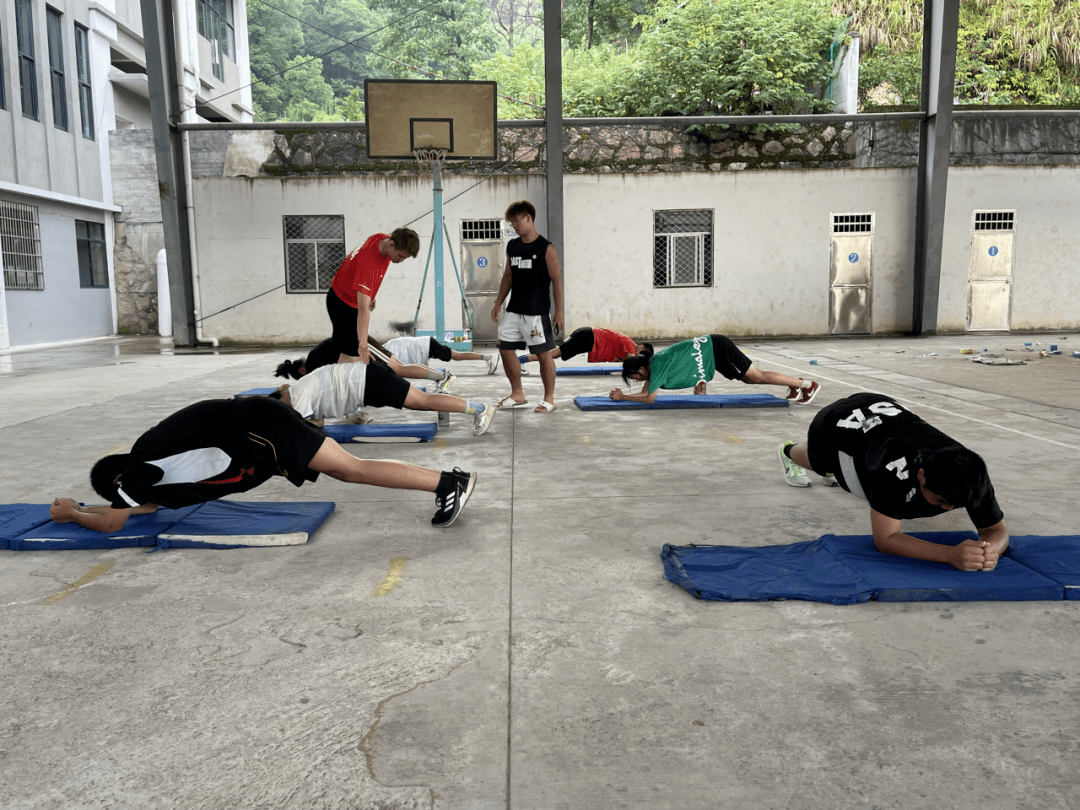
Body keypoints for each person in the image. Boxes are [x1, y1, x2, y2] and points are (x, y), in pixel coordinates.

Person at [49, 396, 477, 531]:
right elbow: (141, 508)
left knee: (351, 470)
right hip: (259, 425)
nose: (124, 498)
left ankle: (446, 484)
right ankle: (447, 480)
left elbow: (116, 521)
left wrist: (73, 514)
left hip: (260, 430)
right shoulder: (152, 463)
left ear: (118, 479)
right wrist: (85, 507)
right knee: (350, 468)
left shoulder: (141, 466)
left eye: (117, 493)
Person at [777, 392, 1008, 571]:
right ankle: (788, 451)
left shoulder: (973, 474)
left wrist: (989, 552)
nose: (948, 509)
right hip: (835, 423)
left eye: (956, 504)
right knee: (823, 465)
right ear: (921, 476)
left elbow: (995, 530)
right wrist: (950, 555)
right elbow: (886, 540)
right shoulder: (891, 472)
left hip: (885, 411)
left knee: (861, 467)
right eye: (940, 500)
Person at [270, 358, 496, 437]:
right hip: (367, 381)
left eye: (279, 407)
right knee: (421, 399)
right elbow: (318, 421)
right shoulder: (300, 391)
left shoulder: (297, 395)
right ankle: (477, 409)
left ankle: (480, 409)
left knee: (422, 402)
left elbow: (306, 428)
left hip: (368, 382)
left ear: (281, 396)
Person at [490, 200, 564, 413]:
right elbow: (508, 276)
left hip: (536, 312)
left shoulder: (546, 248)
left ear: (529, 218)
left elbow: (557, 281)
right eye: (511, 223)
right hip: (514, 310)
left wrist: (558, 312)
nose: (514, 226)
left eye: (517, 222)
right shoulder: (512, 246)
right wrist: (498, 302)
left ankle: (549, 399)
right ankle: (517, 394)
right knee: (505, 349)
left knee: (543, 354)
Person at [610, 335, 821, 404]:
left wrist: (622, 397)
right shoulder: (653, 364)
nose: (636, 380)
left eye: (634, 377)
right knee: (749, 379)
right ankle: (794, 385)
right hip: (712, 350)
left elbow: (649, 398)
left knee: (756, 376)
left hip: (716, 348)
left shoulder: (657, 366)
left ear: (641, 369)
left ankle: (807, 385)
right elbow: (646, 391)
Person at [326, 227, 420, 366]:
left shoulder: (380, 238)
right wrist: (363, 345)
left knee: (347, 350)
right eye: (401, 256)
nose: (401, 261)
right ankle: (337, 375)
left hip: (343, 294)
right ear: (392, 244)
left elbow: (362, 272)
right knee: (355, 353)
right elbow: (363, 310)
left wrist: (370, 294)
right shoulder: (369, 263)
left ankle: (338, 375)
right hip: (342, 304)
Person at [275, 336, 458, 393]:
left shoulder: (314, 363)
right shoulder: (314, 358)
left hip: (361, 345)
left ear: (302, 370)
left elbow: (342, 361)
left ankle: (443, 376)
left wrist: (362, 357)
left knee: (399, 368)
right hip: (358, 346)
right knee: (399, 368)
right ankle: (442, 376)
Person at [519, 326, 642, 367]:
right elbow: (631, 363)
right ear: (639, 347)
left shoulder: (629, 342)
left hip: (585, 333)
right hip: (587, 337)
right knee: (554, 354)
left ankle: (522, 359)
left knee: (555, 353)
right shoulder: (631, 345)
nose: (638, 357)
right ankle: (521, 360)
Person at [384, 335, 500, 376]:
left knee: (456, 356)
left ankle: (489, 358)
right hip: (424, 344)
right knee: (456, 355)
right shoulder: (384, 347)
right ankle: (487, 358)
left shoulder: (384, 354)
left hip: (425, 346)